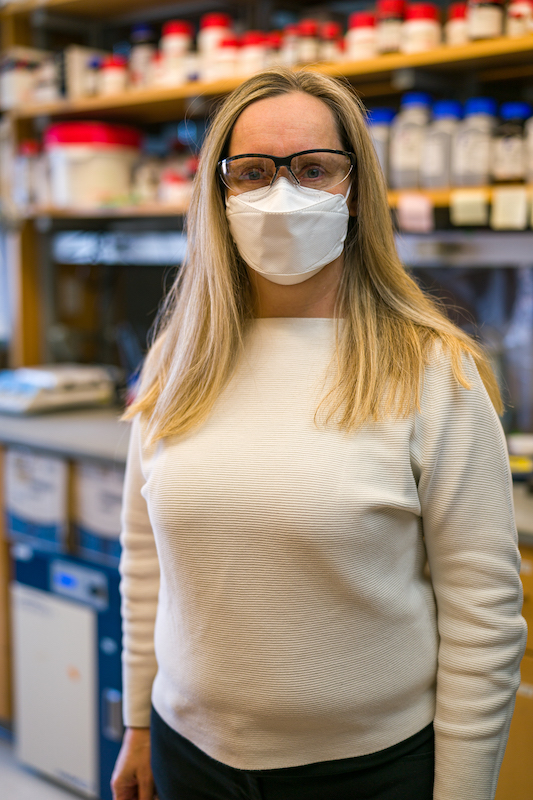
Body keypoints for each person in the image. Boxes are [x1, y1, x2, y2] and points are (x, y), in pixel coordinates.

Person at [111, 67, 527, 800]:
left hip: (366, 773)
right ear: (220, 191)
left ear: (356, 189)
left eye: (312, 169)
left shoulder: (433, 369)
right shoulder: (178, 361)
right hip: (187, 756)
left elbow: (482, 618)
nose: (281, 194)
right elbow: (146, 562)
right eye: (253, 172)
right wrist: (138, 725)